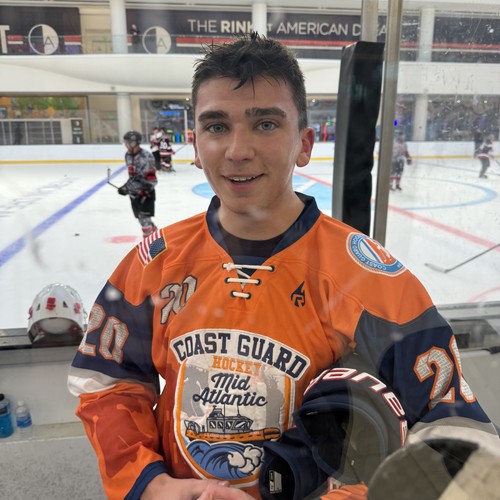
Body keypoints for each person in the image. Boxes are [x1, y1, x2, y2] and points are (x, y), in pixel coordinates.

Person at [68, 33, 499, 500]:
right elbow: (109, 383)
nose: (238, 150)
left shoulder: (369, 279)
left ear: (304, 143)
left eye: (266, 124)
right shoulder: (154, 262)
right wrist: (149, 484)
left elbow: (458, 441)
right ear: (194, 144)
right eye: (217, 126)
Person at [117, 130, 158, 238]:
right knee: (141, 219)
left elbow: (151, 180)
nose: (125, 145)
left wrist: (143, 192)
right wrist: (126, 187)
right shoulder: (128, 155)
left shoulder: (146, 156)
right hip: (134, 193)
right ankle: (155, 235)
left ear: (135, 142)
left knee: (145, 220)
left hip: (145, 194)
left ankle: (149, 243)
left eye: (128, 142)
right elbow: (133, 177)